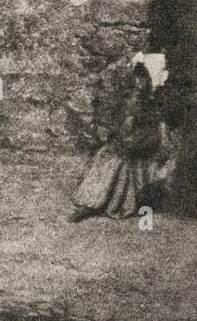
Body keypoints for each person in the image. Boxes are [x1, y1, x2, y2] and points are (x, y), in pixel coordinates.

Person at [70, 53, 175, 221]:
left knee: (121, 159)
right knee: (106, 154)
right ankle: (92, 202)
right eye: (137, 78)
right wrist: (123, 137)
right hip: (137, 137)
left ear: (151, 79)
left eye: (143, 79)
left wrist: (139, 139)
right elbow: (126, 124)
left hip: (149, 140)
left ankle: (99, 204)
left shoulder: (156, 98)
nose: (138, 83)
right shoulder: (134, 97)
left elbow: (159, 127)